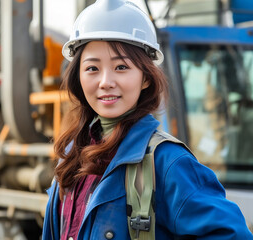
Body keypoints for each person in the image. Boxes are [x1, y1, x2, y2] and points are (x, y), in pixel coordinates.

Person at [42, 0, 253, 239]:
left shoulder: (167, 163)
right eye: (92, 68)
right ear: (77, 76)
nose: (105, 81)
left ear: (145, 78)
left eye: (121, 67)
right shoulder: (70, 158)